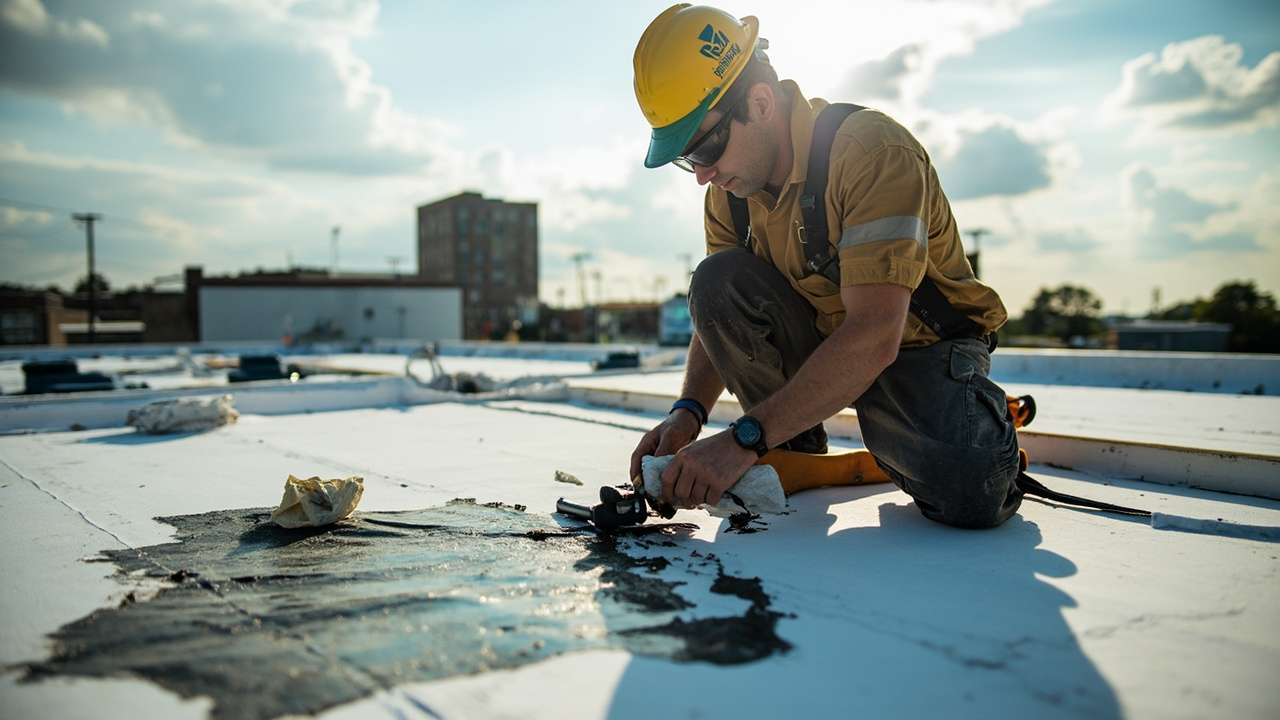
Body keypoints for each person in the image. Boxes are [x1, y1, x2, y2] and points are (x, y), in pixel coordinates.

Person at [628, 4, 1023, 529]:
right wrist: (688, 414)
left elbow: (877, 334)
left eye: (705, 147)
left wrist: (742, 438)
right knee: (716, 278)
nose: (702, 175)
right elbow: (716, 311)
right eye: (687, 159)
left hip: (917, 351)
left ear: (761, 102)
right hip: (825, 341)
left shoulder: (871, 154)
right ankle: (792, 446)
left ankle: (967, 423)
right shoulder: (731, 190)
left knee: (971, 487)